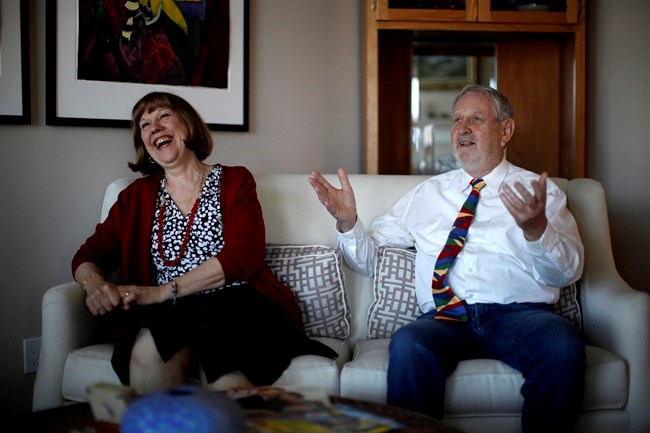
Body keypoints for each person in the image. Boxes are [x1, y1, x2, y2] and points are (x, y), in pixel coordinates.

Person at [308, 85, 585, 432]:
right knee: (409, 343)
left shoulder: (539, 193)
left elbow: (568, 272)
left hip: (520, 317)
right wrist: (348, 223)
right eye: (457, 120)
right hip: (445, 318)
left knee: (560, 343)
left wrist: (536, 231)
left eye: (476, 119)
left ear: (506, 131)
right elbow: (368, 258)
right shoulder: (427, 194)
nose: (463, 128)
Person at [73, 91, 337, 395]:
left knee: (223, 370)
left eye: (163, 116)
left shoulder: (235, 180)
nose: (154, 127)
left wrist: (161, 292)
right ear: (143, 142)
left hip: (236, 304)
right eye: (144, 125)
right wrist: (93, 285)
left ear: (187, 125)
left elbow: (244, 256)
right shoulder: (135, 197)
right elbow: (87, 256)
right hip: (169, 312)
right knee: (150, 347)